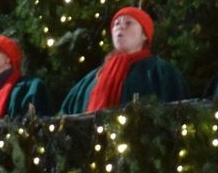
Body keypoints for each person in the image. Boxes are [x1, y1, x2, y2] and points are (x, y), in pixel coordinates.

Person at [59, 6, 189, 115]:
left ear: (144, 35)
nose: (120, 27)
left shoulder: (161, 73)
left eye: (128, 23)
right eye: (117, 24)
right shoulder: (88, 82)